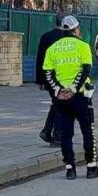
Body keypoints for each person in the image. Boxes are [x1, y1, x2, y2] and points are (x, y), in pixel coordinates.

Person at [42, 16, 98, 180]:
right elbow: (85, 70)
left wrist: (58, 90)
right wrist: (74, 88)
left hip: (61, 99)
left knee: (65, 133)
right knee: (87, 131)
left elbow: (47, 73)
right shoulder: (83, 46)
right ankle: (91, 167)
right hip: (81, 96)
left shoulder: (52, 48)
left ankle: (70, 169)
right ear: (76, 30)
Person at [34, 18, 68, 147]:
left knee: (57, 104)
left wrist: (40, 80)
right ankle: (57, 137)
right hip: (62, 78)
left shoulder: (46, 36)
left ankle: (47, 131)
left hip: (49, 78)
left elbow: (40, 59)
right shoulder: (67, 39)